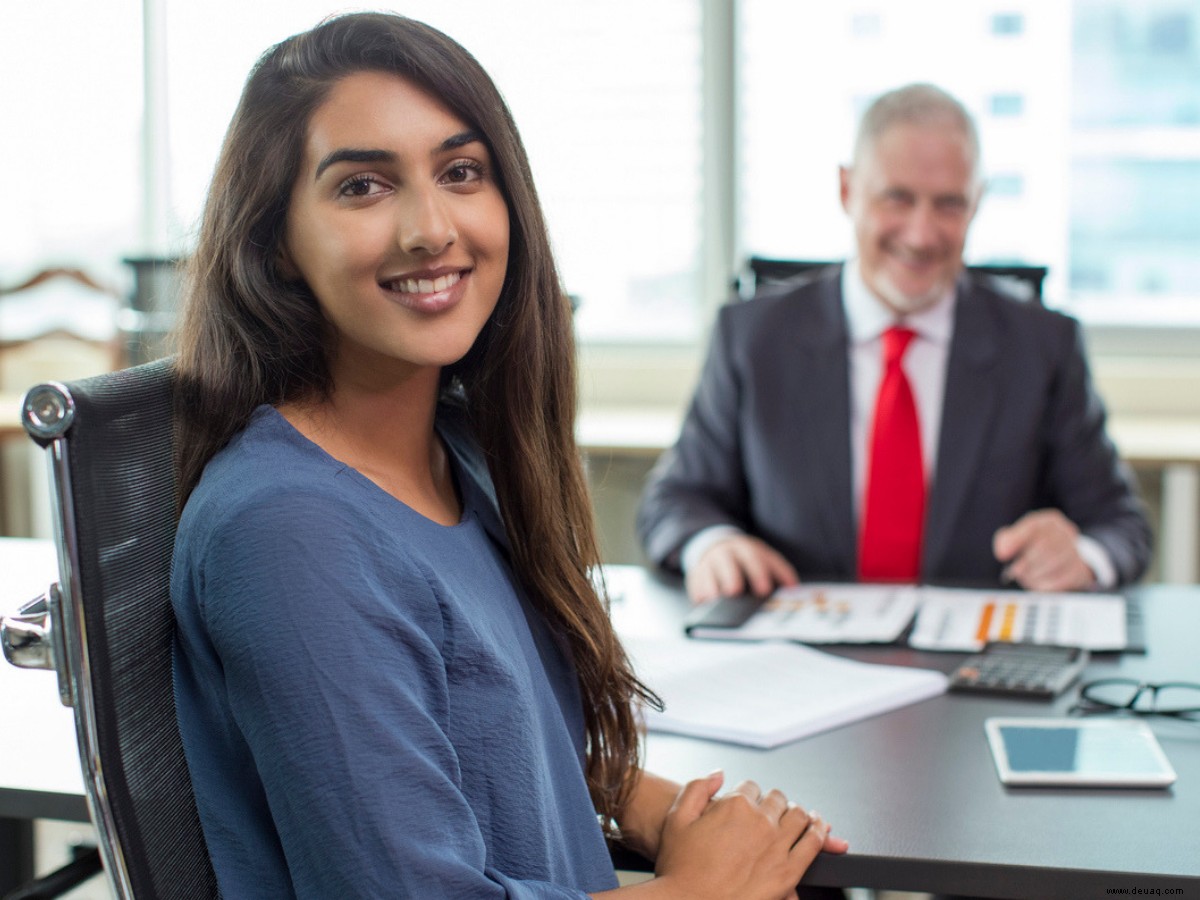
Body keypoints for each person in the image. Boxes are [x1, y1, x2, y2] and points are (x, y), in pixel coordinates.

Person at [170, 12, 847, 899]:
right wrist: (700, 892)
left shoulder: (460, 453)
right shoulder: (290, 534)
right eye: (364, 187)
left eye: (461, 172)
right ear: (277, 249)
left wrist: (636, 800)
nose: (430, 228)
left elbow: (480, 734)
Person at [638, 82, 1152, 604]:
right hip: (801, 660)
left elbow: (1121, 525)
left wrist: (1083, 557)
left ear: (977, 203)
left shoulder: (1043, 345)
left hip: (980, 668)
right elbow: (675, 501)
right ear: (846, 190)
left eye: (949, 204)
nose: (922, 233)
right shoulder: (752, 338)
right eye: (898, 198)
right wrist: (712, 545)